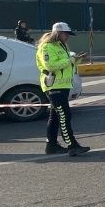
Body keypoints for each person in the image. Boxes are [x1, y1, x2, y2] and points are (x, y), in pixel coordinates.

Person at [36, 22, 89, 156]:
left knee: (55, 117)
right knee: (65, 115)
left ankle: (51, 146)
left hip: (63, 86)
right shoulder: (47, 47)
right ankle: (72, 145)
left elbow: (65, 65)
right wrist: (71, 60)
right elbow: (50, 66)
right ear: (58, 33)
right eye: (66, 34)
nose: (68, 37)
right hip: (53, 86)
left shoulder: (61, 45)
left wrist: (77, 60)